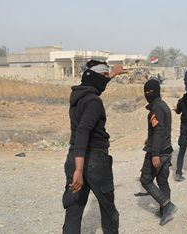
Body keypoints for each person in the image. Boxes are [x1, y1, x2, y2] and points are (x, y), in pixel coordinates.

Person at [62, 60, 127, 233]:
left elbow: (96, 82)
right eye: (104, 76)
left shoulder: (77, 97)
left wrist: (112, 73)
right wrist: (79, 170)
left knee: (73, 213)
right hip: (94, 161)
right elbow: (83, 131)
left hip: (74, 155)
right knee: (109, 212)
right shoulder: (93, 101)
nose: (106, 80)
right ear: (96, 78)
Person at [140, 79, 177, 226]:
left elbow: (159, 131)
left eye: (148, 91)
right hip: (167, 150)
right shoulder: (163, 105)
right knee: (162, 181)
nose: (146, 94)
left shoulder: (156, 108)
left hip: (159, 152)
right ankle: (163, 211)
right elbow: (159, 130)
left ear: (153, 92)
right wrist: (148, 139)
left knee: (145, 180)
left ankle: (167, 205)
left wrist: (154, 153)